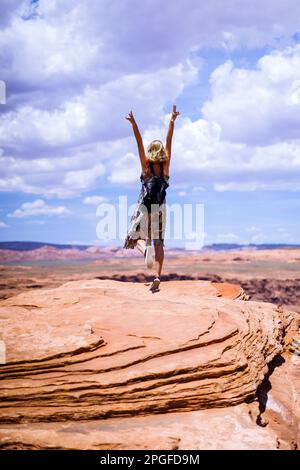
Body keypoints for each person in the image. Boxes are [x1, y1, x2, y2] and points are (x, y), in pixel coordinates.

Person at [124, 105, 180, 291]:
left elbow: (138, 142)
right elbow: (169, 140)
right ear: (162, 152)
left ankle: (144, 250)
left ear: (150, 151)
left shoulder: (145, 166)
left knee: (134, 237)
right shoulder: (165, 167)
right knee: (159, 242)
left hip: (144, 207)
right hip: (160, 208)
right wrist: (172, 121)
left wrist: (134, 124)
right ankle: (157, 275)